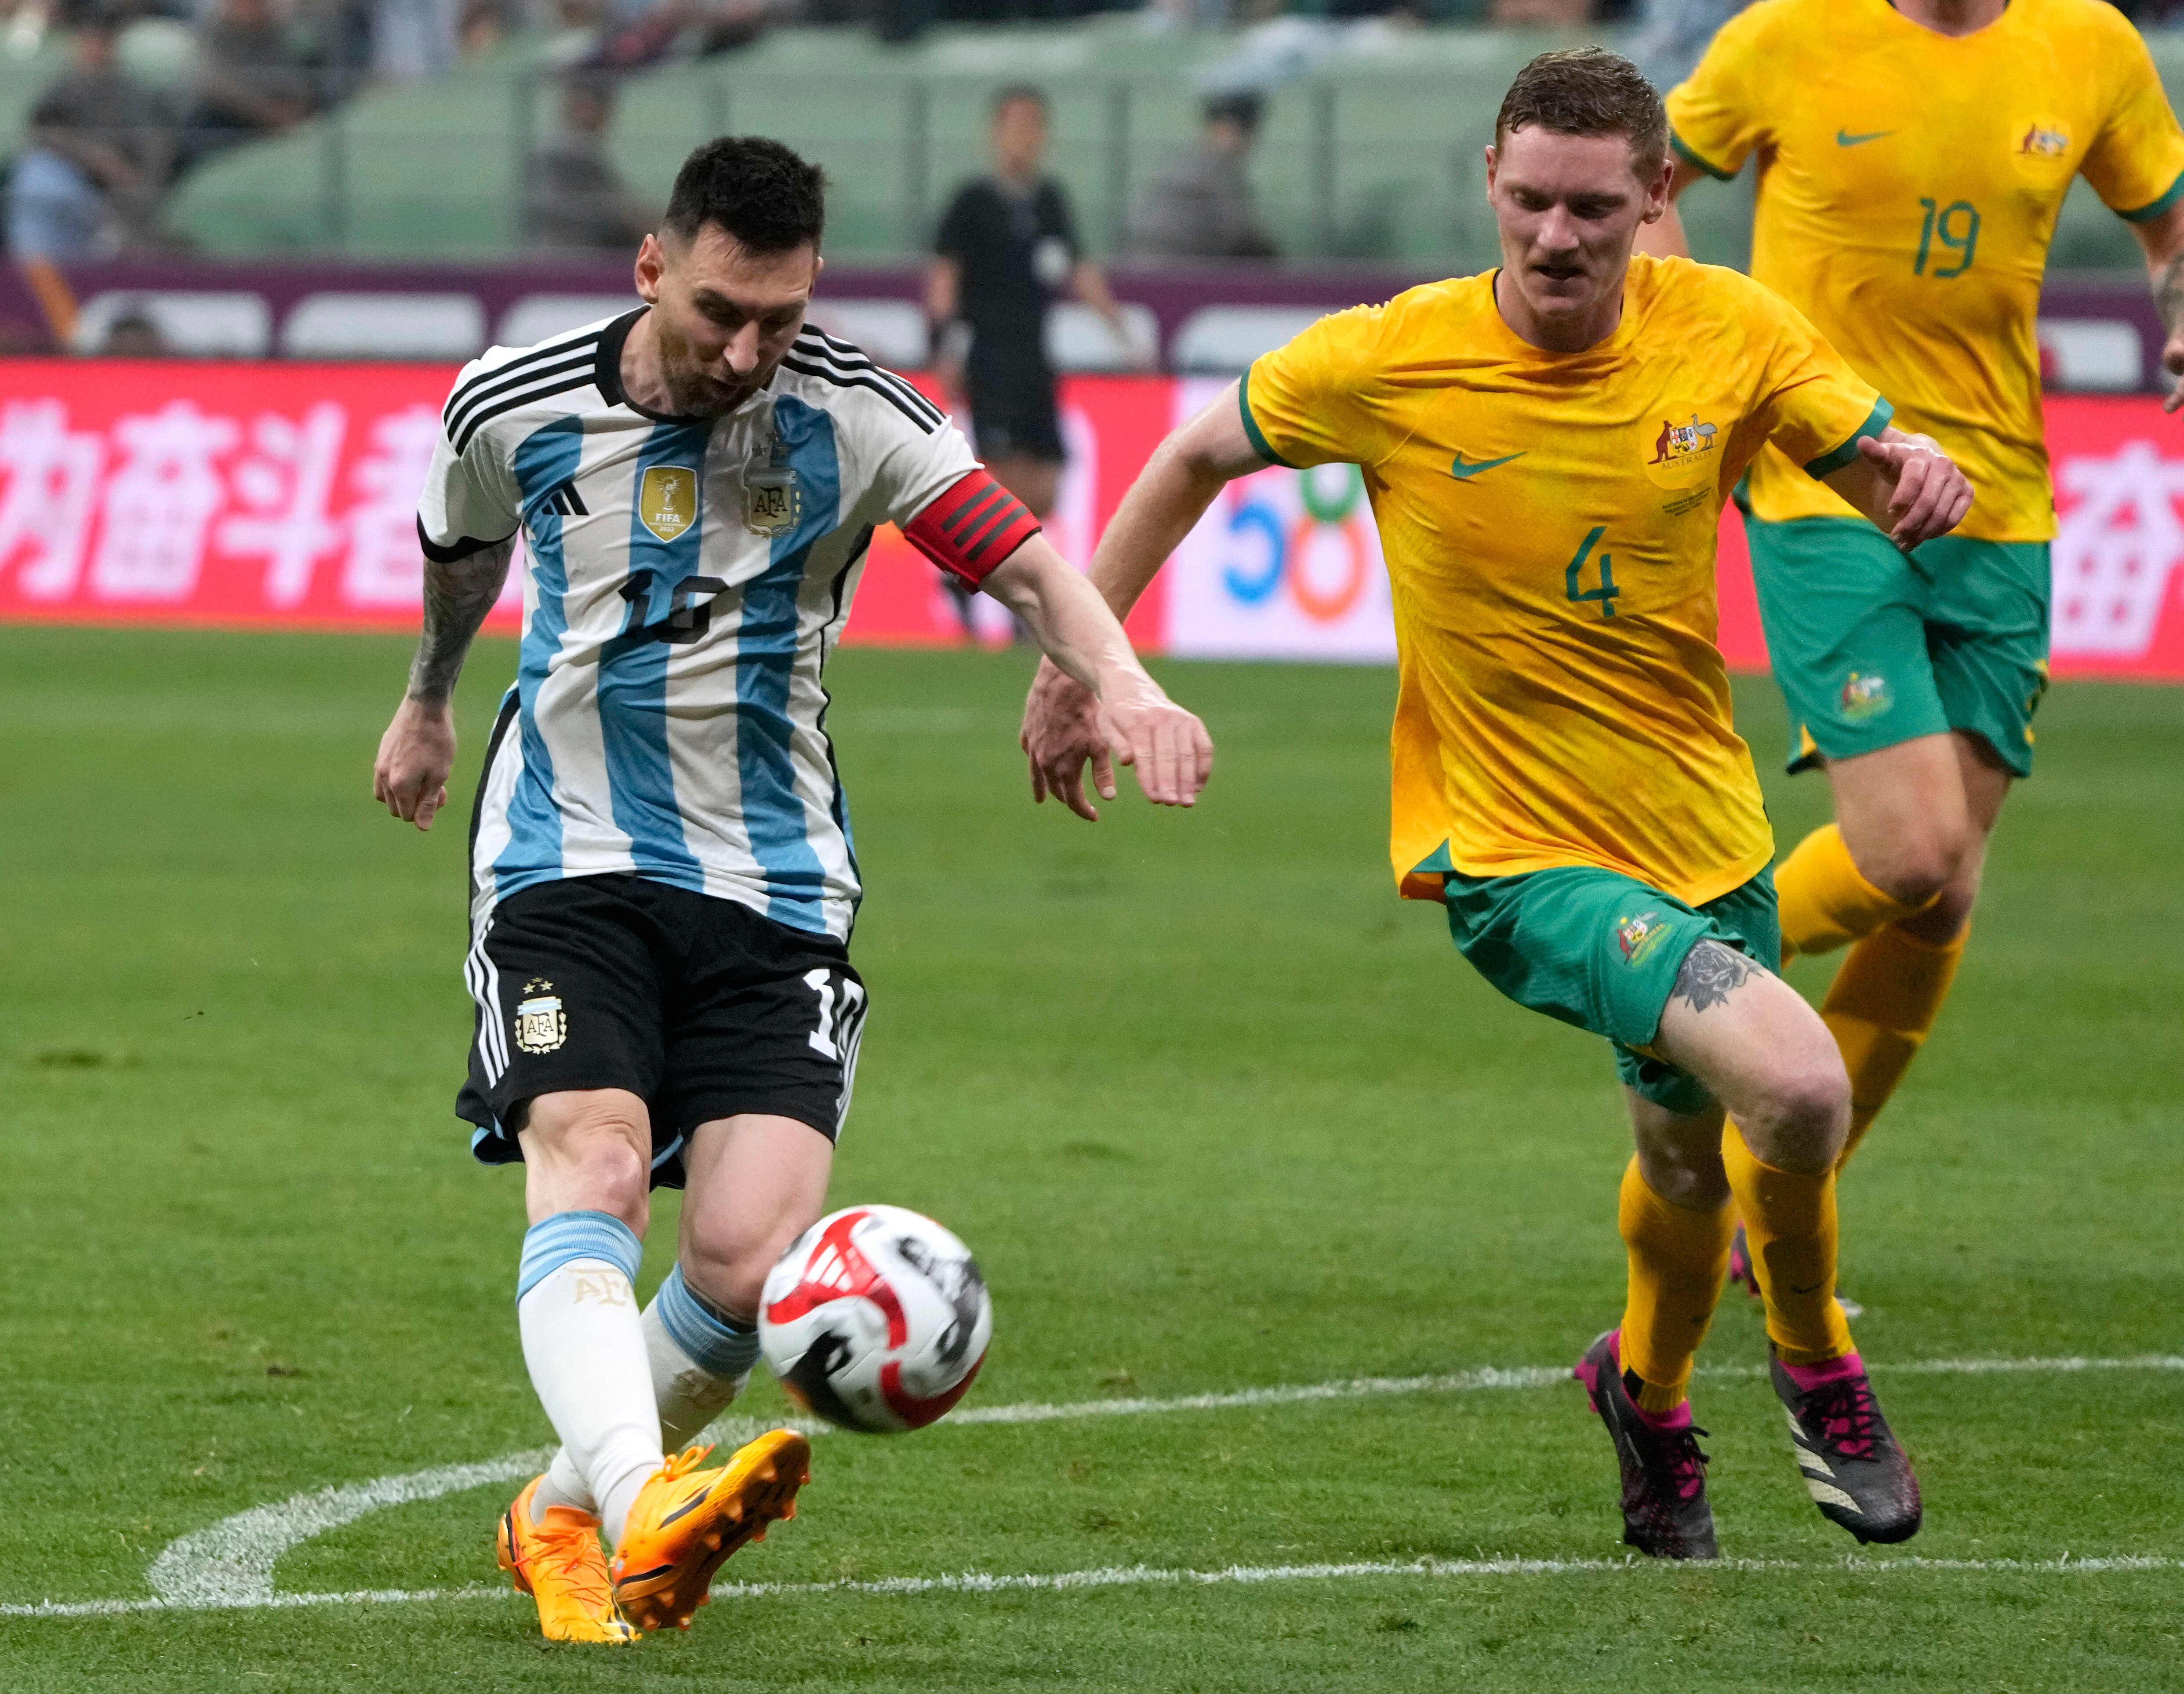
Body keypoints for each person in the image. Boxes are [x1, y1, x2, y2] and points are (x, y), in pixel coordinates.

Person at [1020, 48, 1971, 1560]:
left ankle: (1644, 1397)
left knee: (1678, 1169)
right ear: (1486, 182)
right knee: (1793, 1087)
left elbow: (1862, 459)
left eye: (1591, 208)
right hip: (1511, 857)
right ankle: (1815, 1362)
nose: (1551, 237)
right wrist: (1090, 660)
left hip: (1702, 836)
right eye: (1525, 199)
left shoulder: (1725, 331)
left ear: (1654, 197)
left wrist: (1909, 475)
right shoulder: (1392, 356)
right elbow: (1193, 452)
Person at [371, 135, 1213, 1643]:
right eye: (718, 313)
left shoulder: (853, 412)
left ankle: (562, 1511)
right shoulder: (513, 398)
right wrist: (428, 698)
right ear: (651, 265)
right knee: (600, 1167)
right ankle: (644, 1503)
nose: (748, 349)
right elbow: (462, 551)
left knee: (747, 1262)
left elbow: (1023, 565)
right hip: (565, 855)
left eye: (780, 316)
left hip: (774, 881)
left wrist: (1123, 681)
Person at [1639, 0, 2184, 1298]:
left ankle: (1786, 1212)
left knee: (1941, 892)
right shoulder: (1782, 36)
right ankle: (1674, 963)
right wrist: (1694, 330)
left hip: (2000, 505)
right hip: (1829, 483)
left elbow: (2167, 217)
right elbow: (1654, 179)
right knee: (1912, 848)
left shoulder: (2091, 45)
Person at [927, 85, 1140, 561]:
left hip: (1036, 357)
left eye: (1034, 126)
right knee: (1003, 478)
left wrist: (1121, 332)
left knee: (1047, 485)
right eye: (1015, 125)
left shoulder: (1049, 200)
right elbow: (944, 281)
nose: (1025, 137)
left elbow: (1079, 269)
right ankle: (982, 579)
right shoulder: (971, 203)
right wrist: (943, 348)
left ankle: (1003, 573)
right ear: (995, 133)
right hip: (990, 355)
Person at [7, 5, 169, 261]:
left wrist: (120, 172)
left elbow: (149, 159)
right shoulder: (64, 85)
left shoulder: (132, 93)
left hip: (111, 199)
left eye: (100, 41)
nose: (92, 48)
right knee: (38, 176)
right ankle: (35, 278)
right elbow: (41, 133)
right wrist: (94, 157)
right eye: (86, 40)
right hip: (71, 186)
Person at [1123, 91, 1279, 261]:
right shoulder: (1215, 172)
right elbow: (1243, 235)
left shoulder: (1183, 163)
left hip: (1138, 265)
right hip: (1176, 271)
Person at [177, 0, 319, 172]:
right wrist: (266, 113)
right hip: (225, 123)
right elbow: (212, 86)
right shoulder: (215, 31)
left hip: (274, 134)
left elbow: (297, 101)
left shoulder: (289, 36)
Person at [523, 74, 656, 251]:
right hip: (571, 256)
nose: (606, 115)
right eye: (600, 105)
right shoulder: (567, 152)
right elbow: (620, 213)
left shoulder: (568, 149)